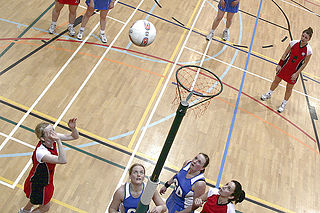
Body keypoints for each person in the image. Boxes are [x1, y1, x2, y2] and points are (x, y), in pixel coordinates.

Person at [19, 118, 79, 213]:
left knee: (35, 199)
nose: (53, 133)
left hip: (46, 178)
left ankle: (24, 211)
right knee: (45, 207)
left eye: (53, 130)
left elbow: (74, 137)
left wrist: (73, 128)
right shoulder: (41, 152)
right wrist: (59, 141)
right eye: (50, 132)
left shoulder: (51, 138)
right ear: (43, 138)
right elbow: (62, 160)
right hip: (39, 183)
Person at [260, 27, 313, 113]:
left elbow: (304, 64)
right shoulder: (293, 43)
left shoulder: (309, 51)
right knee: (276, 81)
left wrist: (297, 73)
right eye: (303, 36)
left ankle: (283, 104)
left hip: (294, 72)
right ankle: (269, 93)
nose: (303, 38)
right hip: (285, 67)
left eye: (306, 37)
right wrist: (279, 64)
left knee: (289, 89)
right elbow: (285, 54)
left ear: (309, 39)